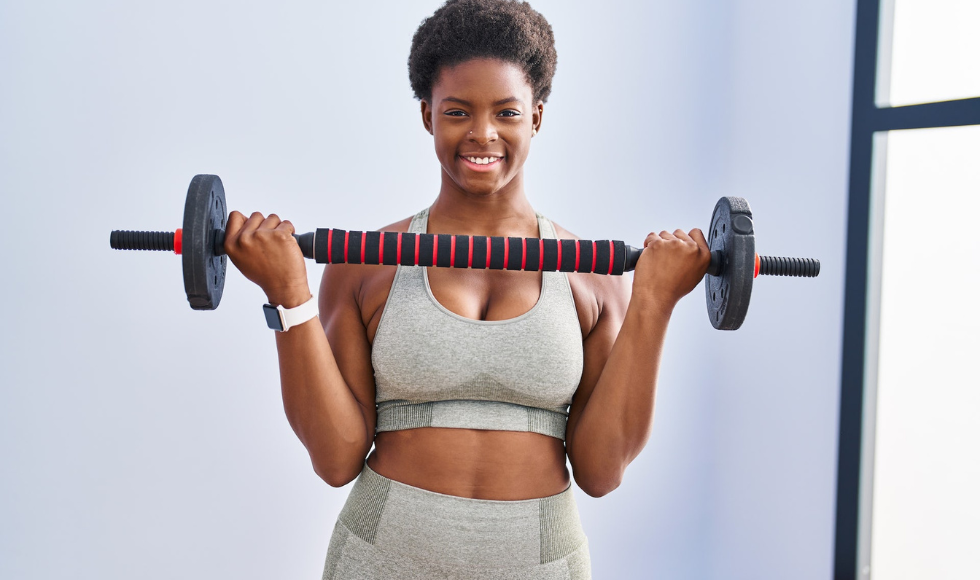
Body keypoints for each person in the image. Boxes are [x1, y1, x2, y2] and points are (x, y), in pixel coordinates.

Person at [223, 0, 709, 577]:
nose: (483, 134)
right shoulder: (364, 266)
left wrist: (654, 302)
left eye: (506, 112)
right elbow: (335, 459)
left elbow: (601, 472)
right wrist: (289, 296)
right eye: (458, 111)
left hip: (539, 563)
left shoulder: (592, 276)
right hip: (384, 557)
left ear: (537, 117)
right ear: (428, 115)